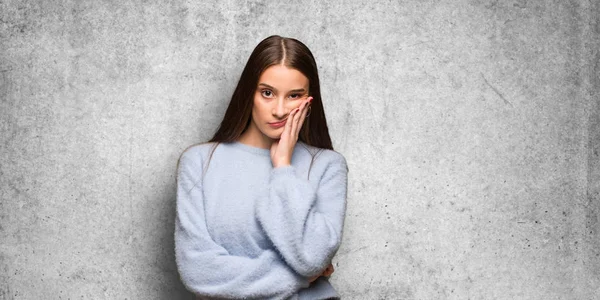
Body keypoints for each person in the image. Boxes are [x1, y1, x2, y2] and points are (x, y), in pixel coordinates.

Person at [175, 35, 349, 300]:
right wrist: (299, 276)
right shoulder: (199, 162)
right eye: (267, 93)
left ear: (309, 101)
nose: (279, 110)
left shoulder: (327, 165)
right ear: (249, 93)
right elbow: (198, 270)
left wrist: (283, 169)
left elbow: (313, 257)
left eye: (294, 96)